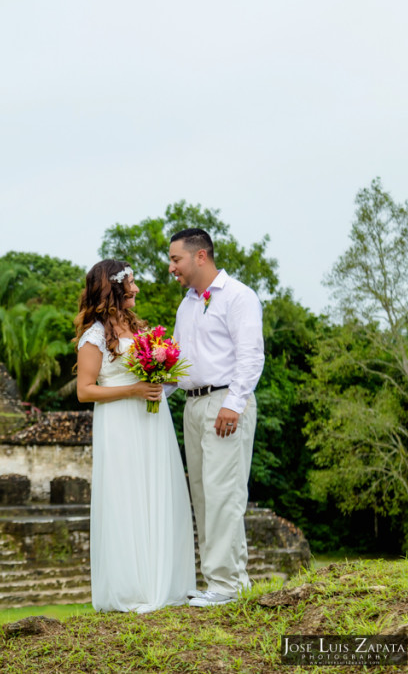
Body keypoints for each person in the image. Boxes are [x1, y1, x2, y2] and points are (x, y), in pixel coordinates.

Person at [75, 259, 195, 613]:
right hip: (119, 424)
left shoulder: (137, 329)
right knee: (127, 495)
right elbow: (85, 390)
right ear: (113, 288)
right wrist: (133, 391)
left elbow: (152, 383)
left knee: (157, 491)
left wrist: (164, 381)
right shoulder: (94, 335)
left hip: (151, 423)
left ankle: (162, 582)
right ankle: (132, 589)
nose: (136, 288)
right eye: (131, 282)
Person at [168, 228, 264, 608]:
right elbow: (176, 361)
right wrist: (151, 394)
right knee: (204, 496)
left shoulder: (239, 296)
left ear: (201, 256)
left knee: (225, 494)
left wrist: (234, 404)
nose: (172, 267)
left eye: (176, 259)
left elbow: (251, 355)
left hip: (225, 402)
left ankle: (226, 585)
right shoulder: (187, 304)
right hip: (193, 406)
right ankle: (220, 581)